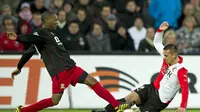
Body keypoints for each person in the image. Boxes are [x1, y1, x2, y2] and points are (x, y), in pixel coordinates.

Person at [6, 11, 130, 112]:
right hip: (60, 71)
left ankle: (116, 105)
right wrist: (18, 37)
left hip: (71, 67)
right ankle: (23, 111)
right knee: (54, 101)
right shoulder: (40, 33)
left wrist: (19, 67)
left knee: (92, 81)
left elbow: (29, 51)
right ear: (46, 20)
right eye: (54, 19)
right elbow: (31, 40)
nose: (56, 21)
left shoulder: (49, 34)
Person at [92, 22, 189, 112]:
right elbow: (157, 43)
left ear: (173, 56)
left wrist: (183, 105)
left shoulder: (181, 70)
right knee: (129, 98)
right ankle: (105, 111)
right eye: (164, 55)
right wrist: (160, 30)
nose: (164, 57)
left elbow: (185, 88)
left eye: (166, 56)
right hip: (151, 88)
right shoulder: (166, 56)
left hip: (159, 100)